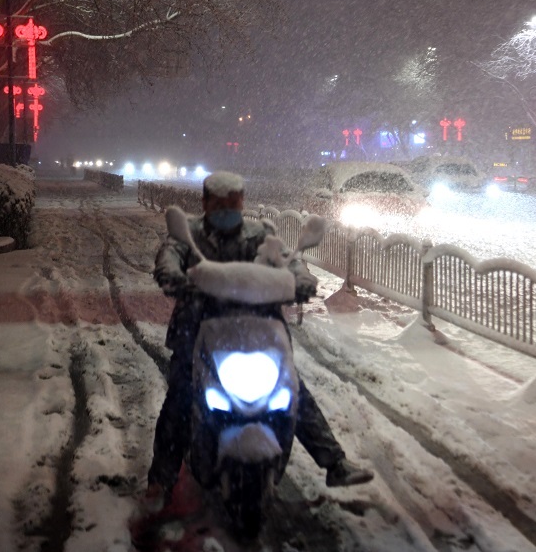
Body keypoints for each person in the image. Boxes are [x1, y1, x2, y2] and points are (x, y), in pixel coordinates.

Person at [144, 171, 373, 511]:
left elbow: (289, 261)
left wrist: (301, 280)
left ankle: (334, 463)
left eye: (233, 202)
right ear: (205, 203)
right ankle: (161, 480)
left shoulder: (260, 234)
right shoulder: (188, 235)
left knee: (293, 390)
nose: (227, 208)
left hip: (258, 328)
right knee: (180, 396)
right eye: (220, 203)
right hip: (198, 328)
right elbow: (169, 256)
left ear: (242, 203)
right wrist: (172, 275)